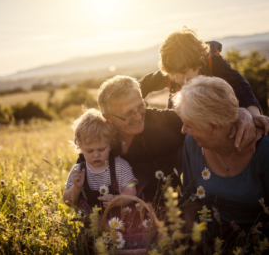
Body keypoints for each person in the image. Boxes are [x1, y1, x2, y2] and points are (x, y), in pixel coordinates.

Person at [83, 75, 259, 205]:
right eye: (128, 113)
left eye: (140, 106)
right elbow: (82, 183)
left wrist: (242, 113)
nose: (138, 116)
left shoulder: (164, 122)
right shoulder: (98, 139)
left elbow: (209, 114)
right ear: (108, 117)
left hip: (172, 220)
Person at [173, 76, 269, 247]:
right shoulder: (193, 142)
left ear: (214, 128)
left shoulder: (265, 151)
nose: (183, 130)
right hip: (210, 245)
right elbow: (190, 201)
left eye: (189, 124)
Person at [139, 27, 269, 134]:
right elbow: (142, 85)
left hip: (211, 115)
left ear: (201, 62)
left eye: (184, 73)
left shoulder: (215, 64)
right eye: (171, 74)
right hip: (179, 116)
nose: (177, 79)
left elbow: (239, 85)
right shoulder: (171, 70)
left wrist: (254, 114)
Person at [63, 109, 137, 216]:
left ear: (110, 145)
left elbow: (131, 193)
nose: (96, 155)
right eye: (89, 151)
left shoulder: (120, 166)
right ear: (80, 148)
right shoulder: (78, 171)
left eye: (101, 149)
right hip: (92, 224)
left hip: (118, 223)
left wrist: (115, 200)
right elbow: (67, 201)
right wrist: (76, 187)